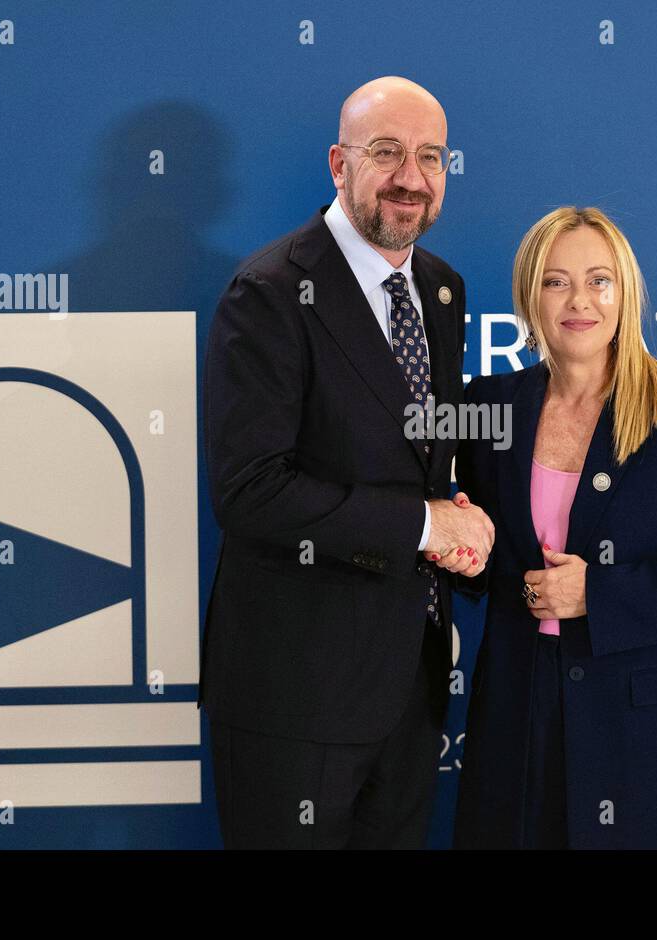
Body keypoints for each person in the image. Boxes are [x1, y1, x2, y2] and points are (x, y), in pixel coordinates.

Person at [198, 76, 493, 849]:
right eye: (387, 152)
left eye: (431, 158)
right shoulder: (267, 291)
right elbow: (249, 491)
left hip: (411, 686)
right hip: (293, 696)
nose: (411, 178)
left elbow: (419, 459)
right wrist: (423, 525)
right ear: (339, 163)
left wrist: (452, 521)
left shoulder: (441, 290)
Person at [446, 206, 657, 848]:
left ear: (626, 294)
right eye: (556, 281)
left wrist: (600, 594)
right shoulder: (488, 406)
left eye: (599, 280)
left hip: (647, 737)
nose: (579, 301)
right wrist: (460, 549)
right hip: (520, 719)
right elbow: (483, 556)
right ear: (530, 298)